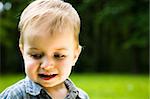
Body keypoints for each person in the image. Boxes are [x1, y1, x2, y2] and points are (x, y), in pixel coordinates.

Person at [0, 0, 89, 98]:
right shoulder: (15, 96)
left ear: (75, 56)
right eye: (36, 55)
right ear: (23, 52)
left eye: (58, 56)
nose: (47, 66)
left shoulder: (82, 96)